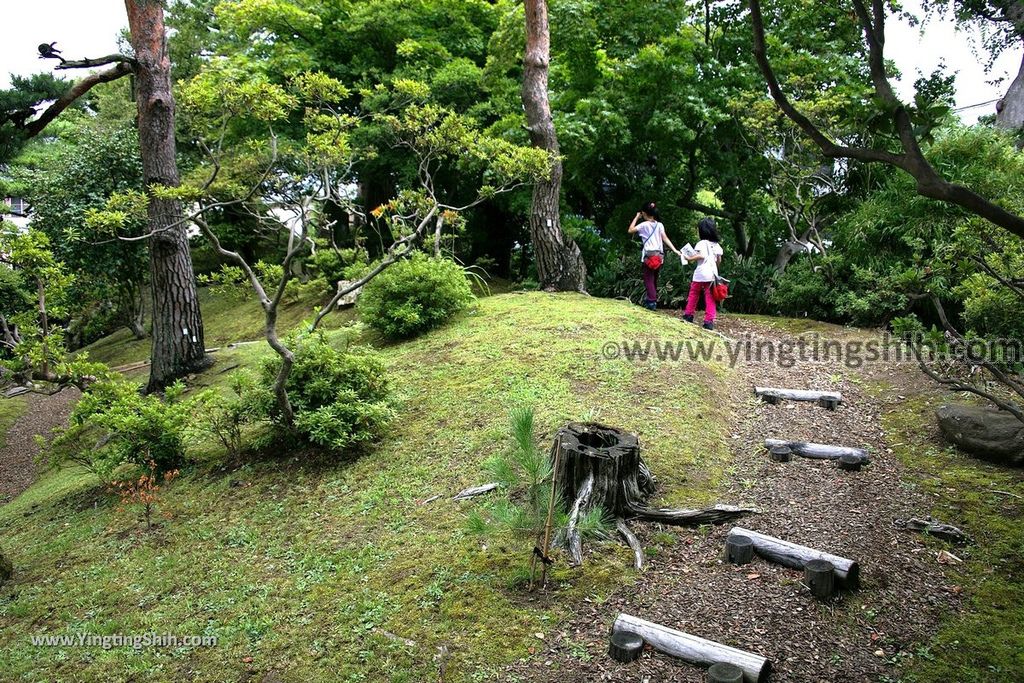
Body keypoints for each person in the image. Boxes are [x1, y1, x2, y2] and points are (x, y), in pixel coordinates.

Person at [628, 201, 680, 310]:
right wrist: (675, 250)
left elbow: (630, 230)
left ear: (644, 213)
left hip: (649, 256)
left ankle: (651, 302)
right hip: (659, 256)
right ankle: (652, 301)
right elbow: (665, 238)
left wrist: (637, 217)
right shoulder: (659, 225)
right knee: (654, 279)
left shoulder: (644, 225)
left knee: (648, 279)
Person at [682, 217, 724, 330]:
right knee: (710, 297)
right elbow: (719, 260)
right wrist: (715, 268)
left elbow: (701, 255)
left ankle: (688, 315)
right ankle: (709, 321)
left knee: (694, 293)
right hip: (712, 274)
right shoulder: (717, 245)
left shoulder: (701, 243)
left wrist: (689, 258)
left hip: (700, 273)